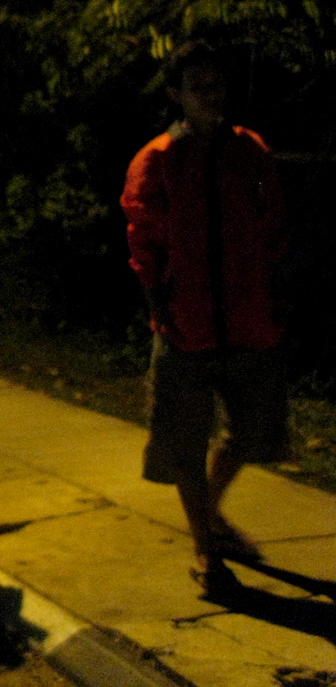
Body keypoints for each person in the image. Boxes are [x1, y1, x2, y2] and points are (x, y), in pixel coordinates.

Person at [120, 43, 288, 596]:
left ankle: (209, 512)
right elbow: (143, 242)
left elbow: (271, 224)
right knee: (184, 442)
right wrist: (159, 306)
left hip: (248, 320)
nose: (212, 96)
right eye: (199, 87)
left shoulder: (250, 150)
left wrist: (271, 289)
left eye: (217, 85)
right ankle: (205, 550)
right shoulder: (158, 159)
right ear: (177, 94)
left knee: (253, 430)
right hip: (185, 325)